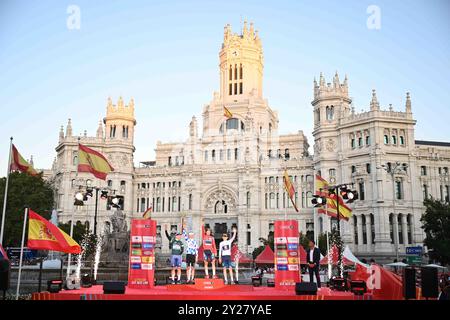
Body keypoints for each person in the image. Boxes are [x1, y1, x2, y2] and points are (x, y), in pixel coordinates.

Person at [182, 220, 199, 284]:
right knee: (188, 267)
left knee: (193, 267)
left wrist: (197, 256)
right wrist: (183, 227)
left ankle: (192, 278)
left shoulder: (195, 241)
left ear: (193, 235)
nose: (191, 236)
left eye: (192, 235)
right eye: (190, 235)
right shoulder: (187, 240)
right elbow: (184, 234)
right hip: (188, 254)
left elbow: (196, 249)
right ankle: (188, 278)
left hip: (193, 255)